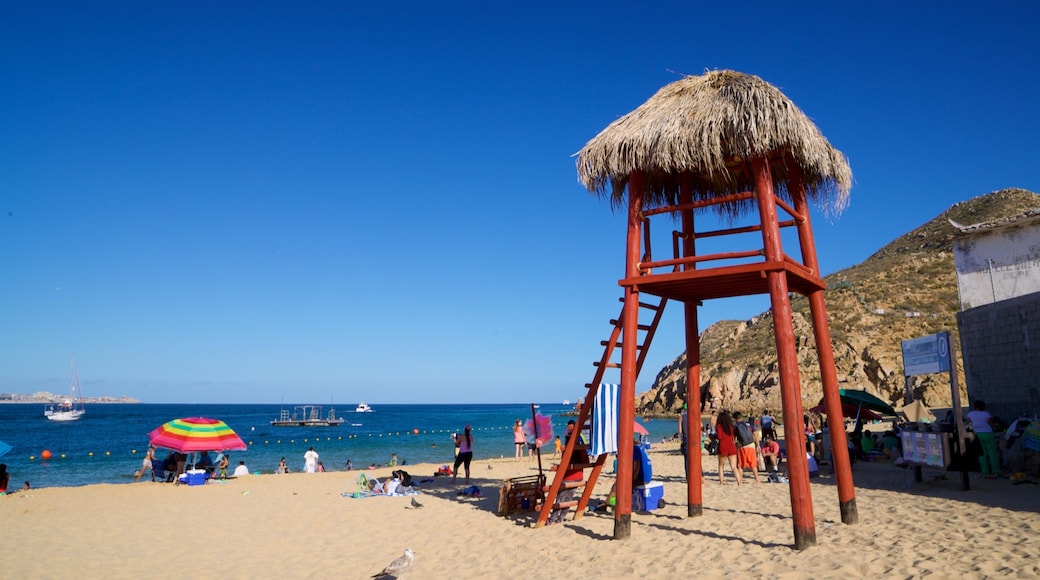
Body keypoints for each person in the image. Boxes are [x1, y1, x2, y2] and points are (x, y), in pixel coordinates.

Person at [967, 399, 1000, 478]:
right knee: (992, 453)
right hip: (988, 433)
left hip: (977, 434)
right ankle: (995, 471)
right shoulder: (986, 414)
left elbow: (969, 423)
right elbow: (991, 423)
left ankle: (984, 471)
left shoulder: (970, 414)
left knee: (982, 454)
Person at [732, 412, 761, 483]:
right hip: (751, 445)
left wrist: (734, 446)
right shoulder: (749, 424)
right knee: (753, 464)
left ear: (734, 419)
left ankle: (740, 480)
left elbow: (733, 438)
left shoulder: (735, 426)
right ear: (742, 417)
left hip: (742, 446)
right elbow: (755, 435)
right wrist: (758, 445)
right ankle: (757, 479)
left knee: (740, 465)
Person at [715, 412, 742, 485]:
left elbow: (719, 437)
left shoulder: (719, 426)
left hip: (723, 445)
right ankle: (739, 482)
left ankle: (721, 482)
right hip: (731, 445)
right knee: (734, 466)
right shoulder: (731, 426)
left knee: (721, 465)